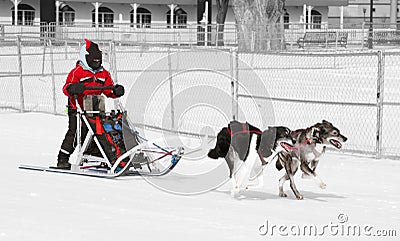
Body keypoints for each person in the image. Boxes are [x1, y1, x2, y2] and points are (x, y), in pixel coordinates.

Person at [56, 39, 125, 169]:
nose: (97, 62)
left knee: (100, 132)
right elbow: (66, 88)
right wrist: (73, 88)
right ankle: (62, 158)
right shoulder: (77, 72)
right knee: (76, 133)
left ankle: (106, 155)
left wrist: (116, 91)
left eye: (98, 60)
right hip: (77, 109)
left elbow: (109, 90)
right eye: (93, 60)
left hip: (96, 109)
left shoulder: (103, 73)